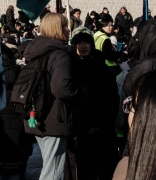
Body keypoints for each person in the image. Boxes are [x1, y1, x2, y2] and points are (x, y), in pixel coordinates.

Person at [23, 12, 81, 180]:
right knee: (54, 171)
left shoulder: (35, 51)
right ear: (57, 29)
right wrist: (80, 91)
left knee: (48, 166)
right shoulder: (59, 54)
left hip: (35, 115)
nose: (68, 30)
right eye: (65, 26)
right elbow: (62, 87)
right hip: (54, 117)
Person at [69, 27, 118, 180]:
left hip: (103, 129)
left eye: (86, 43)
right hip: (81, 131)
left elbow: (112, 98)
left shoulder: (102, 68)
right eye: (80, 43)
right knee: (85, 171)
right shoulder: (71, 69)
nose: (83, 47)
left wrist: (100, 123)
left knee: (107, 169)